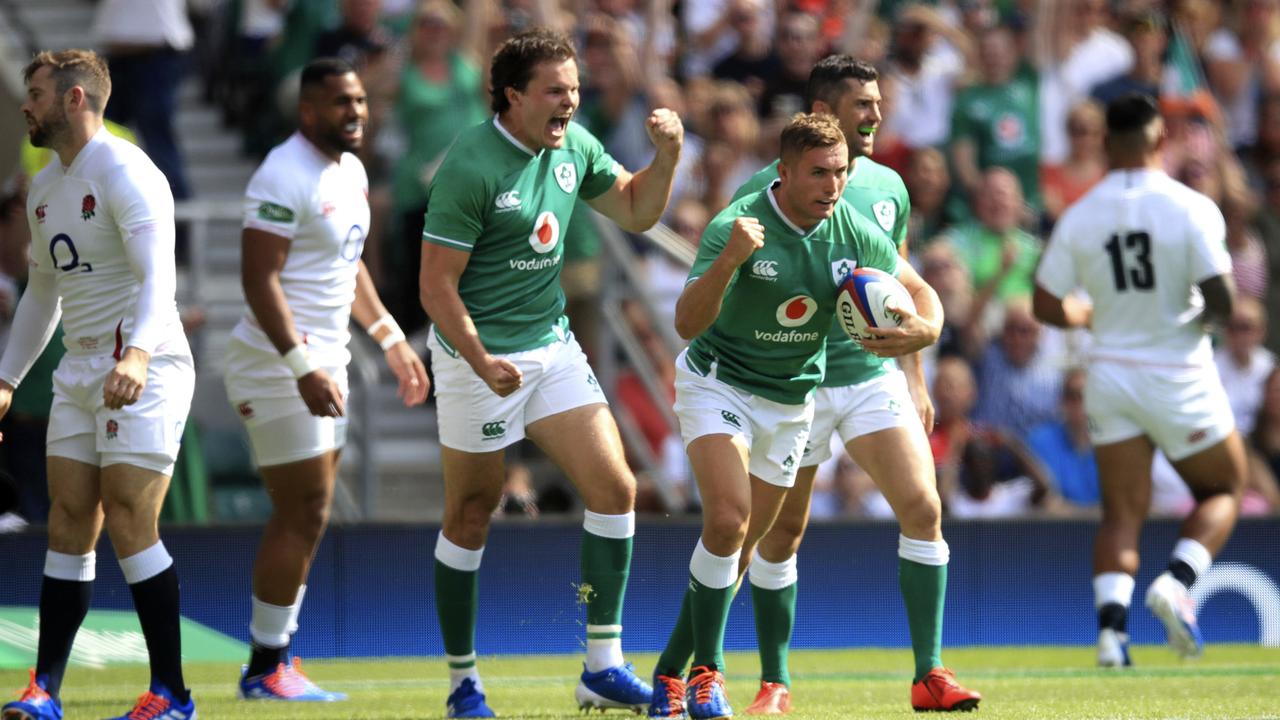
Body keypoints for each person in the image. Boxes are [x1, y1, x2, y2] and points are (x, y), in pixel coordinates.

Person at [693, 55, 979, 715]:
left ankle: (929, 675)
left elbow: (894, 285)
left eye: (879, 104)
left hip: (871, 374)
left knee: (924, 508)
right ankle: (763, 677)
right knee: (779, 533)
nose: (876, 115)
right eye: (862, 106)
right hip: (797, 381)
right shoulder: (772, 189)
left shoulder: (888, 187)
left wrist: (914, 372)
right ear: (823, 115)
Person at [418, 28, 683, 718]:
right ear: (513, 97)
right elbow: (435, 287)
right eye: (556, 91)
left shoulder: (575, 146)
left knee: (615, 486)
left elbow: (636, 208)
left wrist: (667, 156)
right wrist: (479, 359)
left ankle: (603, 666)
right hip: (476, 354)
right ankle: (462, 683)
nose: (571, 101)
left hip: (551, 343)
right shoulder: (471, 164)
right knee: (471, 514)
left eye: (574, 89)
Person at [649, 112, 940, 720]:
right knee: (729, 520)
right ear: (783, 173)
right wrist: (730, 261)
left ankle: (667, 674)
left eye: (838, 172)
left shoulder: (853, 231)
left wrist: (924, 330)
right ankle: (709, 675)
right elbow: (684, 322)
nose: (832, 186)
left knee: (745, 543)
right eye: (817, 173)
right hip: (718, 384)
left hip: (790, 402)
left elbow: (915, 289)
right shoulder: (738, 224)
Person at [0, 49, 197, 720]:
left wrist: (137, 356)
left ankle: (171, 693)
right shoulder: (44, 185)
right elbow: (40, 296)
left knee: (131, 520)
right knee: (67, 521)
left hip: (146, 364)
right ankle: (44, 692)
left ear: (75, 99)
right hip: (80, 369)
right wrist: (6, 378)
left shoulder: (126, 171)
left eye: (35, 93)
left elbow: (157, 279)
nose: (27, 105)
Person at [224, 57, 429, 701]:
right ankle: (265, 667)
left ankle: (277, 657)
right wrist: (300, 364)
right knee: (303, 510)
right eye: (342, 103)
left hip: (327, 359)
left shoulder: (353, 169)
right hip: (278, 363)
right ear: (308, 111)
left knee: (310, 515)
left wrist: (392, 339)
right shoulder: (281, 173)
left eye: (362, 101)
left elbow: (349, 269)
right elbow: (258, 281)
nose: (357, 112)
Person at [1033, 93, 1247, 667]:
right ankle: (1176, 582)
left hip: (1111, 374)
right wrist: (1203, 323)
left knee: (1121, 514)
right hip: (1178, 370)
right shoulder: (1191, 206)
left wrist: (1087, 314)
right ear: (1160, 140)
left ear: (1106, 143)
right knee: (1226, 486)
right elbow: (1223, 297)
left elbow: (1047, 303)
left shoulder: (1081, 213)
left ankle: (1110, 638)